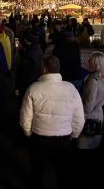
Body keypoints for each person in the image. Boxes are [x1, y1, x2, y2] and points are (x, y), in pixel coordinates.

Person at [20, 55, 84, 189]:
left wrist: (28, 133)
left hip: (39, 138)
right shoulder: (71, 89)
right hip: (64, 139)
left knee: (38, 173)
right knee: (64, 174)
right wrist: (73, 135)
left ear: (44, 69)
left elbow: (25, 118)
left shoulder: (33, 88)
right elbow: (79, 119)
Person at [77, 52, 104, 149]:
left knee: (85, 149)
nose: (88, 62)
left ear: (96, 64)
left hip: (89, 119)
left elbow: (88, 105)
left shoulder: (93, 81)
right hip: (99, 116)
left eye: (91, 60)